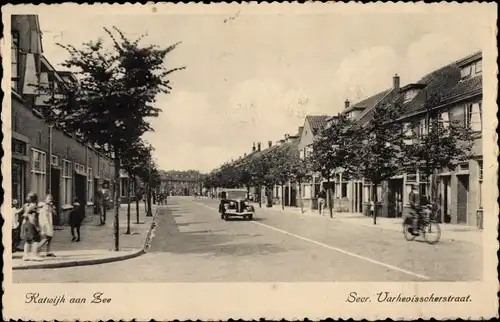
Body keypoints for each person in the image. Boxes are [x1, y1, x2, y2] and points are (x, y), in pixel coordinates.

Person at [20, 192, 43, 261]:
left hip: (26, 224)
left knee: (28, 240)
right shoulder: (33, 207)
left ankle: (26, 255)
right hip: (31, 224)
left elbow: (22, 212)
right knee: (35, 240)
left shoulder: (26, 205)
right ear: (35, 199)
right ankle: (34, 255)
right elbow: (33, 218)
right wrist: (37, 227)